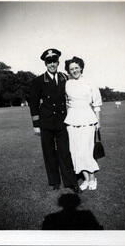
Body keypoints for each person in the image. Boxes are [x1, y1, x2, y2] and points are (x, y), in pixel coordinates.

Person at [29, 49, 80, 193]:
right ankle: (55, 181)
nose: (52, 64)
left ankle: (71, 182)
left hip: (63, 122)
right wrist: (36, 125)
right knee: (49, 153)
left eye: (54, 61)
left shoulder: (65, 77)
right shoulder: (38, 81)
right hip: (46, 123)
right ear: (45, 64)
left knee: (65, 152)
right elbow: (33, 104)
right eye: (49, 62)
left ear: (58, 62)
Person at [64, 56, 102, 191]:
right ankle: (85, 179)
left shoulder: (89, 82)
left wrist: (98, 121)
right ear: (68, 71)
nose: (74, 71)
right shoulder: (67, 84)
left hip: (87, 119)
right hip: (72, 120)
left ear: (81, 68)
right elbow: (67, 102)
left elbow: (96, 103)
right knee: (75, 151)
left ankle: (93, 178)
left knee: (86, 150)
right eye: (71, 69)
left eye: (76, 68)